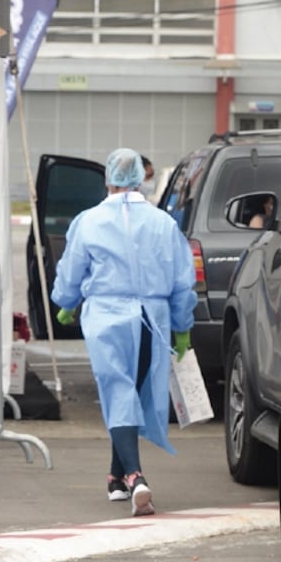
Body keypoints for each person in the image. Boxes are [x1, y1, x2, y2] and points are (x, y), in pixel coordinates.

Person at [51, 148, 196, 517]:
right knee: (132, 391)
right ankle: (116, 477)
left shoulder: (89, 221)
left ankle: (134, 476)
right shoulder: (164, 223)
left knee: (117, 390)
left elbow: (71, 272)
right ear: (141, 179)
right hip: (153, 317)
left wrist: (66, 301)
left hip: (107, 315)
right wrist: (182, 326)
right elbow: (183, 278)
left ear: (108, 179)